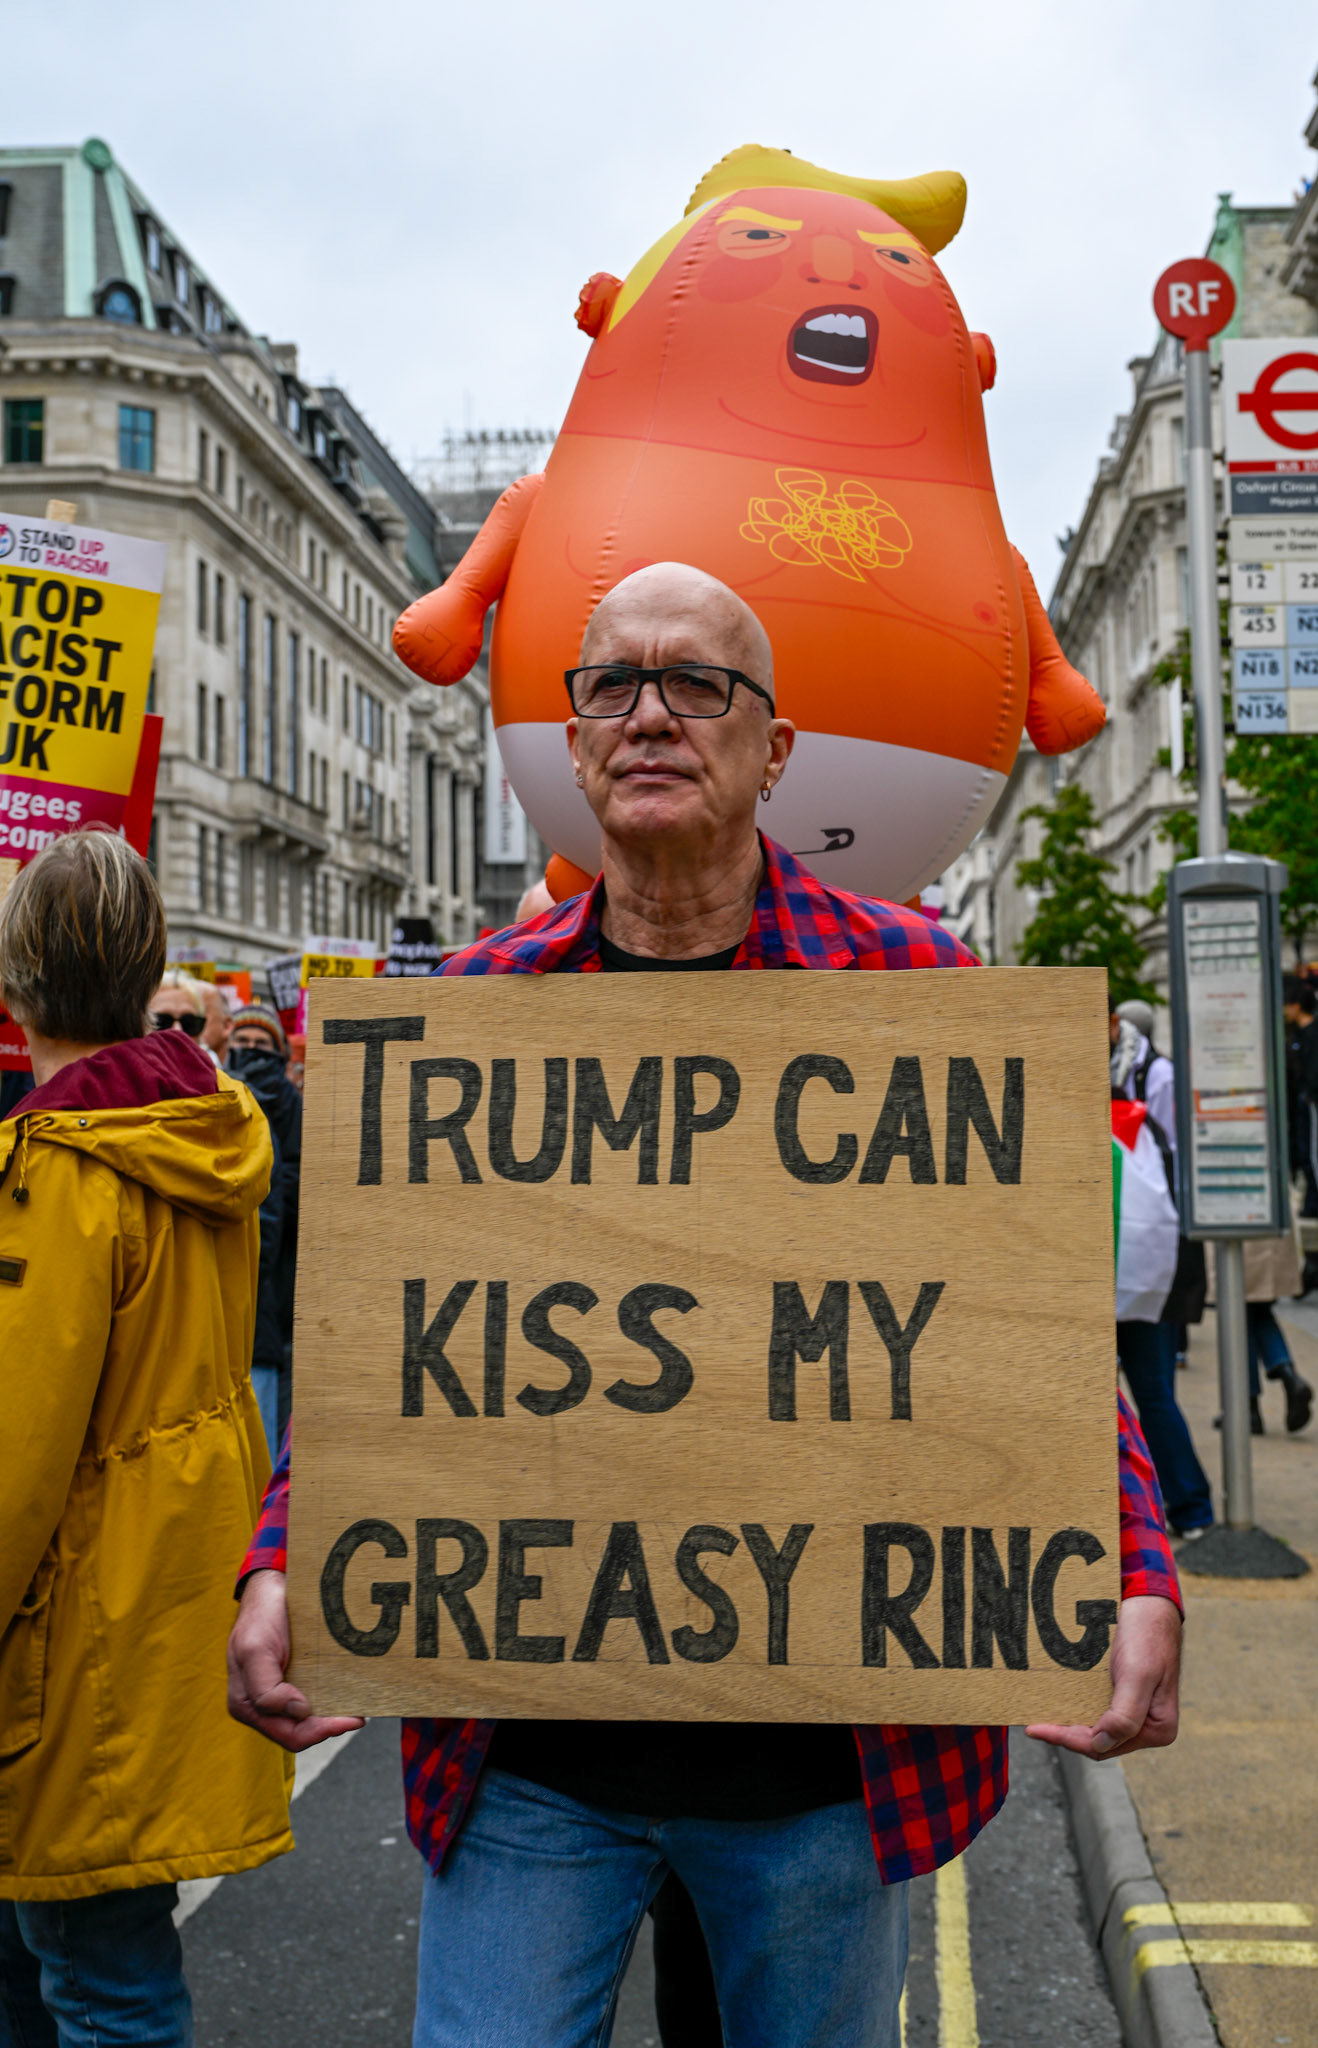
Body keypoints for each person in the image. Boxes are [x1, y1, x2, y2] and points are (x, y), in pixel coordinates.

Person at [227, 565, 1182, 2048]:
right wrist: (287, 1557)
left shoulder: (917, 989)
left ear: (774, 746)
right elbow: (389, 1354)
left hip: (816, 1775)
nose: (651, 713)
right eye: (610, 682)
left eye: (699, 684)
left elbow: (1032, 1336)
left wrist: (1134, 1565)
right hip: (529, 1764)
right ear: (573, 737)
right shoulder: (467, 1023)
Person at [0, 829, 290, 2045]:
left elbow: (15, 1457)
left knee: (97, 1981)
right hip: (169, 1593)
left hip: (78, 1635)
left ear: (17, 984)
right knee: (73, 1959)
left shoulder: (62, 1167)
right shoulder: (204, 1125)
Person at [226, 1002, 303, 1453]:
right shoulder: (219, 1094)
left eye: (261, 1042)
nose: (251, 1049)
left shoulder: (294, 1108)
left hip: (273, 1293)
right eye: (243, 1041)